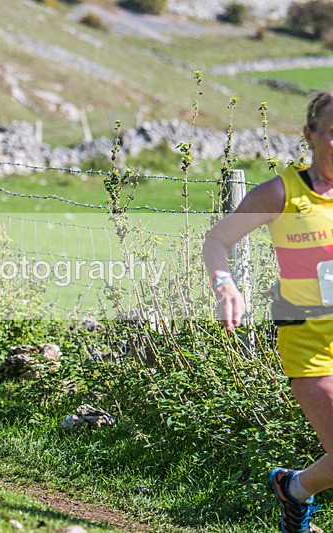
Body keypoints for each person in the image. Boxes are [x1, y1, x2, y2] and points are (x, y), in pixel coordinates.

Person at [203, 90, 333, 533]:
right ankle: (294, 491)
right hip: (309, 339)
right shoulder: (282, 193)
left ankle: (292, 489)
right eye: (332, 132)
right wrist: (225, 286)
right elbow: (216, 241)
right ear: (310, 135)